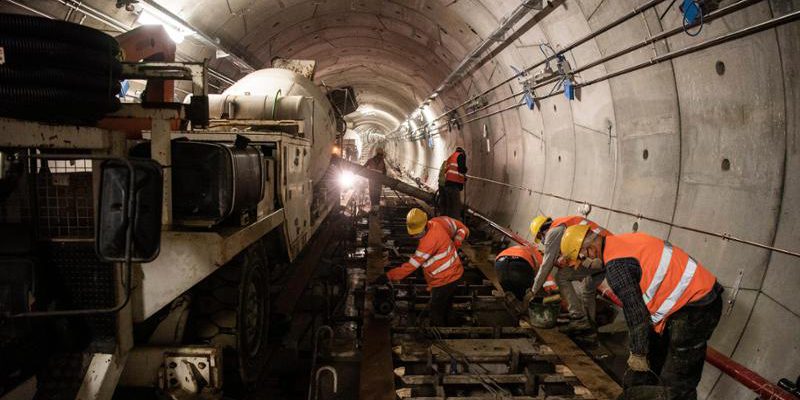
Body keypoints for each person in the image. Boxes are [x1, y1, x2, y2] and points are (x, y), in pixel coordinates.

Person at [560, 225, 723, 399]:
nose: (584, 265)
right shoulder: (624, 241)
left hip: (696, 307)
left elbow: (636, 314)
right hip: (687, 301)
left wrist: (638, 354)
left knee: (676, 386)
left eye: (582, 259)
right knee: (653, 367)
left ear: (590, 251)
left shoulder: (616, 266)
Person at [374, 208, 469, 326]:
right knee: (446, 305)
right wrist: (457, 240)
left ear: (424, 225)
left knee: (436, 311)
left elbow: (410, 267)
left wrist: (388, 276)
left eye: (417, 233)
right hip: (455, 274)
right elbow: (461, 227)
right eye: (413, 233)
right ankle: (453, 326)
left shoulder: (428, 243)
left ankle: (438, 337)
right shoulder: (439, 222)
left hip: (444, 279)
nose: (415, 236)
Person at [528, 215, 612, 334]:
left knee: (561, 276)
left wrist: (533, 290)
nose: (542, 241)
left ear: (543, 231)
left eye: (540, 237)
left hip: (597, 253)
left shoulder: (553, 233)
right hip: (608, 252)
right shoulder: (563, 224)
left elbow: (547, 265)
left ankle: (577, 317)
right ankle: (590, 330)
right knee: (588, 290)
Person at [437, 147, 467, 219]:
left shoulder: (451, 157)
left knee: (449, 206)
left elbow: (449, 171)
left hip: (447, 184)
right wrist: (465, 170)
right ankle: (454, 223)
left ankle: (446, 221)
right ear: (462, 153)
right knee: (455, 206)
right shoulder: (460, 156)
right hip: (454, 184)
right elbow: (461, 169)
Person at [363, 147, 386, 213]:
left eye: (381, 155)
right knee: (374, 194)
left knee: (375, 194)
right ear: (377, 155)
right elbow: (364, 167)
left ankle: (375, 208)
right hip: (374, 181)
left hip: (376, 181)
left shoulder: (380, 161)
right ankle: (374, 208)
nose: (381, 156)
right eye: (380, 155)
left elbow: (384, 171)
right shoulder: (372, 161)